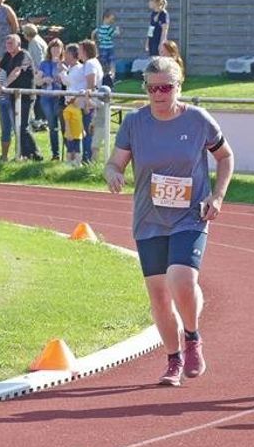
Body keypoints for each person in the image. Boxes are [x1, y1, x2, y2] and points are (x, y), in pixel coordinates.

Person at [105, 56, 234, 387]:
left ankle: (192, 337)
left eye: (166, 87)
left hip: (190, 216)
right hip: (149, 219)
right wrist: (113, 174)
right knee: (159, 297)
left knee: (181, 279)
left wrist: (217, 196)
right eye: (152, 88)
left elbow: (225, 156)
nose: (159, 94)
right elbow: (115, 162)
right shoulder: (134, 123)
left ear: (179, 87)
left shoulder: (198, 120)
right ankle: (173, 359)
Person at [0, 34, 42, 160]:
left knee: (23, 126)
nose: (8, 46)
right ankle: (25, 155)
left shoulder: (24, 55)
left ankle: (35, 154)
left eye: (11, 43)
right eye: (7, 43)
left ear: (18, 44)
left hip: (26, 96)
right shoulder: (7, 55)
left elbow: (16, 72)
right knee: (18, 127)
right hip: (14, 96)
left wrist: (4, 85)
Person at [35, 38, 66, 160]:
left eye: (58, 47)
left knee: (64, 126)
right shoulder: (44, 64)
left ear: (62, 49)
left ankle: (70, 153)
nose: (55, 50)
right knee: (52, 126)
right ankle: (55, 154)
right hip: (47, 98)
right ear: (49, 49)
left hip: (61, 98)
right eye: (53, 47)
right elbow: (37, 81)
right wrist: (43, 80)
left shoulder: (65, 63)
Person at [78, 39, 104, 163]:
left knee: (88, 132)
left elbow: (91, 84)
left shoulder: (90, 63)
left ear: (85, 51)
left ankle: (87, 160)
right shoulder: (94, 62)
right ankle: (88, 159)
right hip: (93, 100)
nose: (78, 52)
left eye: (80, 50)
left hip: (91, 102)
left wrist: (87, 103)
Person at [93, 9, 120, 78]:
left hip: (102, 48)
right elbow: (116, 33)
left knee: (103, 63)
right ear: (105, 18)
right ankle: (112, 76)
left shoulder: (99, 28)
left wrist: (95, 39)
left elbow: (94, 34)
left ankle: (103, 76)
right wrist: (117, 29)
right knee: (112, 62)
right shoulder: (109, 28)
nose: (112, 21)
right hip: (109, 48)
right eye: (111, 19)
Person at [63, 95, 84, 167]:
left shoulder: (78, 109)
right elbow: (67, 122)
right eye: (79, 100)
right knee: (70, 149)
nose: (81, 102)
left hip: (78, 134)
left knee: (78, 149)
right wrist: (68, 132)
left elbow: (80, 121)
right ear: (73, 100)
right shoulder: (68, 110)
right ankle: (68, 163)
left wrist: (83, 130)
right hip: (71, 134)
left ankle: (78, 163)